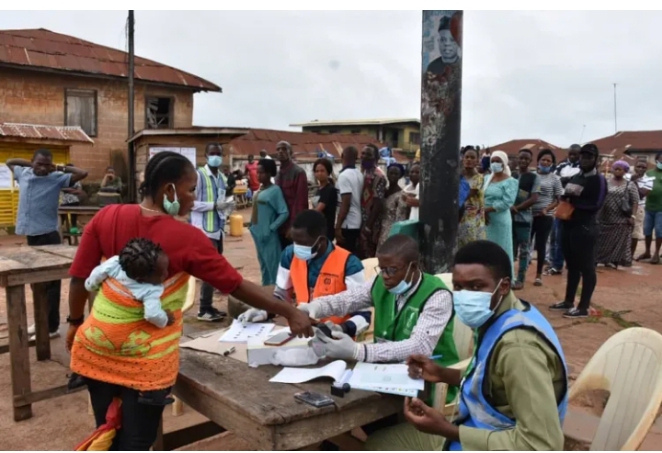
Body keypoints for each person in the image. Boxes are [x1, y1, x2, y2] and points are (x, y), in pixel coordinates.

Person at [66, 151, 312, 451]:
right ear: (169, 189)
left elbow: (80, 278)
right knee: (135, 442)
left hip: (97, 347)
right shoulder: (188, 239)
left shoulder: (107, 216)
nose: (193, 200)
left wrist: (74, 323)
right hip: (147, 360)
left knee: (107, 430)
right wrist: (288, 310)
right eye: (191, 190)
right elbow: (235, 286)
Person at [365, 240, 568, 451]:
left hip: (494, 441)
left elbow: (542, 445)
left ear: (504, 286)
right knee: (379, 442)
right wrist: (443, 374)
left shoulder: (519, 349)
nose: (465, 296)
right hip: (481, 428)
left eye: (476, 286)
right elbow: (495, 381)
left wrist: (446, 430)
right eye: (459, 287)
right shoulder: (502, 314)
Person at [304, 235, 459, 393]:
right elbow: (347, 300)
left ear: (413, 266)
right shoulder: (380, 283)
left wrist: (359, 351)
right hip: (383, 374)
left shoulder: (437, 296)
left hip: (428, 383)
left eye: (392, 270)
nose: (385, 275)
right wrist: (314, 307)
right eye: (382, 269)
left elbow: (419, 346)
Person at [240, 210, 368, 334]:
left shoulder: (350, 264)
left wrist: (341, 329)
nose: (297, 247)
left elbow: (364, 315)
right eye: (294, 242)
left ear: (321, 241)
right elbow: (281, 296)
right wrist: (264, 311)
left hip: (339, 339)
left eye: (303, 243)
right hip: (300, 332)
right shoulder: (289, 255)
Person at [7, 150, 88, 340]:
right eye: (39, 164)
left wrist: (57, 167)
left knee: (51, 284)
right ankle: (41, 321)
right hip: (31, 235)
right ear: (32, 163)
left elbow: (83, 173)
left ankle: (51, 327)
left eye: (46, 164)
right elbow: (11, 160)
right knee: (36, 283)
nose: (43, 168)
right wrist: (30, 164)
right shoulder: (23, 173)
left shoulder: (56, 178)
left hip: (48, 236)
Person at [550, 143, 607, 318]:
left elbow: (596, 204)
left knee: (587, 268)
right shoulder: (576, 177)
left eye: (589, 157)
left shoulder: (598, 180)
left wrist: (574, 203)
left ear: (596, 159)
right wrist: (565, 198)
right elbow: (567, 194)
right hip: (568, 226)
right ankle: (568, 301)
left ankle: (583, 307)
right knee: (572, 265)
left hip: (586, 228)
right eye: (583, 156)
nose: (584, 159)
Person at [190, 143, 233, 322]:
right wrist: (213, 206)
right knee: (209, 269)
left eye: (218, 153)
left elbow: (222, 201)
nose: (216, 156)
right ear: (206, 155)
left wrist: (228, 206)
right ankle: (203, 309)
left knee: (215, 269)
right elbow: (191, 203)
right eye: (212, 153)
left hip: (218, 229)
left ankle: (208, 306)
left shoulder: (221, 177)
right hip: (203, 230)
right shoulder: (199, 176)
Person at [249, 159, 289, 286]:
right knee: (264, 266)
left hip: (268, 235)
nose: (258, 175)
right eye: (257, 172)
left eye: (262, 173)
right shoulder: (260, 190)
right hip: (257, 233)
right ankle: (265, 294)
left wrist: (272, 228)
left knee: (273, 267)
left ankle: (277, 297)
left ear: (270, 173)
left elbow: (284, 212)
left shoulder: (275, 191)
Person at [595, 160, 639, 268]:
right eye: (615, 168)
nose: (617, 171)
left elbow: (635, 201)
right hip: (605, 216)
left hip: (621, 217)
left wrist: (633, 216)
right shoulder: (606, 181)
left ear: (625, 171)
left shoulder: (630, 184)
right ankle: (598, 259)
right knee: (601, 239)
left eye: (620, 169)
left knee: (617, 241)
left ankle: (612, 260)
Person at [530, 149, 563, 286]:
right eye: (543, 159)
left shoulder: (555, 179)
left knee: (541, 244)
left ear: (552, 164)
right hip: (528, 214)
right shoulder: (531, 176)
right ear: (538, 161)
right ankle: (521, 272)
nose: (545, 162)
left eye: (549, 161)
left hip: (545, 216)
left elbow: (557, 199)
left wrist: (546, 209)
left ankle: (538, 275)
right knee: (526, 244)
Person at [547, 144, 581, 275]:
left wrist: (567, 181)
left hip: (576, 206)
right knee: (557, 236)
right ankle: (556, 264)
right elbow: (556, 180)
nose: (572, 157)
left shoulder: (582, 167)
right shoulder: (561, 166)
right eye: (570, 154)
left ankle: (572, 264)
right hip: (562, 204)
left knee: (573, 238)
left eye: (575, 154)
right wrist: (567, 180)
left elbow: (578, 183)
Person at [483, 150, 518, 275]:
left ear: (504, 163)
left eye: (498, 161)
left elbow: (507, 202)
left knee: (501, 248)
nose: (495, 163)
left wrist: (486, 210)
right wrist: (483, 212)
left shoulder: (511, 181)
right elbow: (481, 197)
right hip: (485, 219)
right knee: (486, 248)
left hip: (500, 220)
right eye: (492, 161)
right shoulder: (487, 178)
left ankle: (503, 276)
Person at [510, 149, 540, 290]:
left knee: (524, 251)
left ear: (530, 161)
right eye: (521, 158)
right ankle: (509, 277)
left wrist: (517, 208)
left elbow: (534, 198)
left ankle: (521, 279)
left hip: (524, 219)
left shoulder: (534, 177)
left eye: (526, 159)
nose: (523, 161)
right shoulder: (512, 175)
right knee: (510, 250)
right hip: (509, 219)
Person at [275, 140, 309, 249]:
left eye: (284, 149)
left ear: (291, 152)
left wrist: (294, 226)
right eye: (278, 149)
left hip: (292, 226)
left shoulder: (298, 173)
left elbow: (300, 202)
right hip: (279, 225)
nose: (280, 151)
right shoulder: (277, 174)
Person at [335, 146, 364, 256]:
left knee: (342, 256)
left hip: (347, 223)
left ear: (342, 156)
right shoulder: (359, 174)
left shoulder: (344, 176)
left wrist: (338, 227)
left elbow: (345, 203)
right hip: (356, 221)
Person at [360, 144, 387, 259]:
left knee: (369, 256)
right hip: (361, 220)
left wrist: (368, 226)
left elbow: (378, 204)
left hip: (371, 223)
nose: (364, 156)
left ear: (376, 159)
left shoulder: (378, 176)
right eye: (363, 153)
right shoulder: (363, 172)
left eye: (369, 154)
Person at [458, 147, 486, 248]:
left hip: (472, 220)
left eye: (472, 157)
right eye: (467, 157)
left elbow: (465, 196)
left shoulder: (479, 178)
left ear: (477, 160)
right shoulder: (458, 176)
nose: (469, 159)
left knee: (471, 248)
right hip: (458, 218)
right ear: (462, 159)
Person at [637, 152, 662, 264]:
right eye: (661, 160)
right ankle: (647, 252)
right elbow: (642, 187)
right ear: (656, 160)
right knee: (647, 230)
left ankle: (656, 253)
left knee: (659, 231)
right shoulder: (649, 173)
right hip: (649, 206)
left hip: (661, 208)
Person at [628, 160, 654, 262]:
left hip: (639, 208)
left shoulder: (649, 180)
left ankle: (630, 256)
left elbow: (642, 194)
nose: (641, 169)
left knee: (635, 232)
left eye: (643, 167)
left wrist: (634, 182)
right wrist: (631, 180)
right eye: (639, 166)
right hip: (625, 207)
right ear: (635, 167)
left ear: (646, 169)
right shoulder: (627, 176)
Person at [379, 163, 408, 247]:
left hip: (390, 232)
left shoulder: (401, 195)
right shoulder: (383, 191)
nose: (393, 176)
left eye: (396, 174)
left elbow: (400, 219)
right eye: (391, 173)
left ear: (400, 176)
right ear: (387, 173)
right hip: (379, 229)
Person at [311, 158, 338, 241]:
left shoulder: (329, 189)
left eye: (322, 171)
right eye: (317, 171)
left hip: (326, 230)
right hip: (318, 229)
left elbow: (318, 209)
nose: (319, 173)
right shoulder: (319, 189)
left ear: (328, 172)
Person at [60, 163, 87, 230]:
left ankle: (74, 234)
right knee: (62, 219)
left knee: (73, 219)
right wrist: (72, 190)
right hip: (64, 202)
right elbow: (60, 188)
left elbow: (79, 191)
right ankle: (62, 233)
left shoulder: (76, 179)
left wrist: (68, 190)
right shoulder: (62, 178)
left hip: (74, 201)